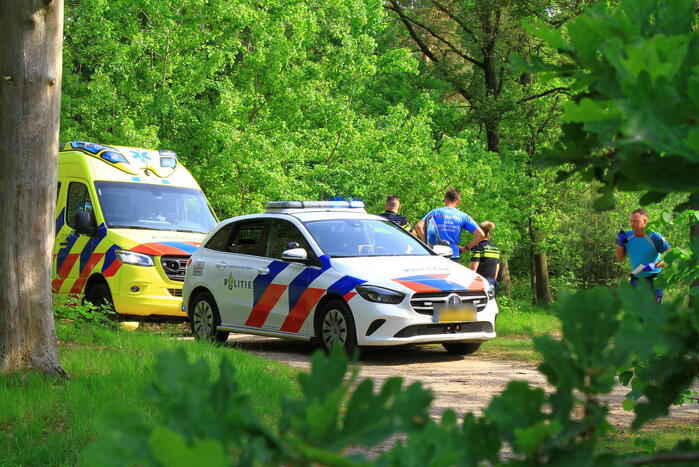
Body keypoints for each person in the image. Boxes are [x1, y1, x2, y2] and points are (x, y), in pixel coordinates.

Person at [414, 188, 485, 263]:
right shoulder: (463, 216)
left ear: (445, 199)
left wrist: (428, 244)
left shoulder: (435, 212)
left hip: (435, 255)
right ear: (457, 201)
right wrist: (465, 249)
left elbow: (418, 226)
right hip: (453, 256)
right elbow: (481, 235)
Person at [615, 208, 671, 303]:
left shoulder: (654, 237)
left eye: (636, 221)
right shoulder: (627, 236)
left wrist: (656, 265)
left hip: (654, 280)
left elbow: (672, 258)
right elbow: (619, 258)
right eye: (631, 221)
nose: (632, 224)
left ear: (645, 221)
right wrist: (621, 245)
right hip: (636, 280)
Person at [468, 221, 500, 294]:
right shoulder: (495, 248)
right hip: (492, 282)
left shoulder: (477, 246)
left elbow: (473, 267)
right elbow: (497, 269)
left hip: (480, 282)